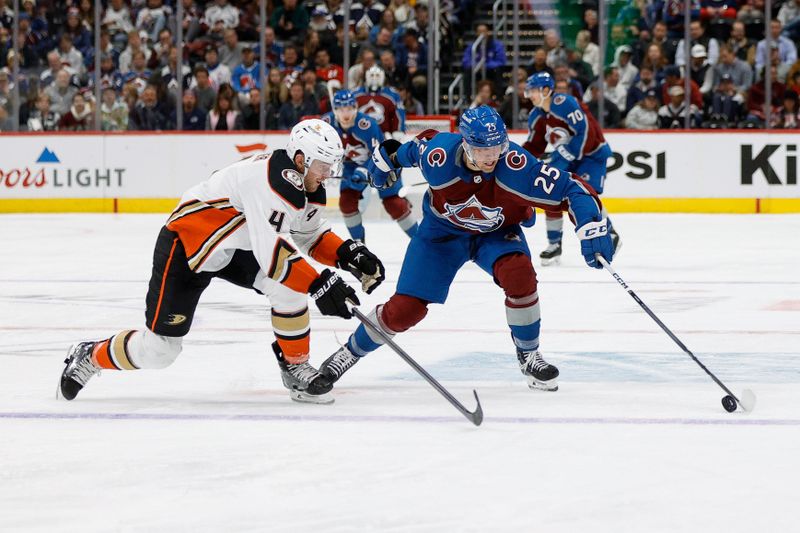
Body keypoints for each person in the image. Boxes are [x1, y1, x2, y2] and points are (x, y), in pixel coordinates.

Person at [58, 119, 386, 404]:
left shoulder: (306, 182)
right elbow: (274, 256)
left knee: (289, 290)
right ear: (301, 158)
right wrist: (320, 284)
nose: (328, 173)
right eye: (323, 166)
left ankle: (295, 366)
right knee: (160, 351)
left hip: (234, 248)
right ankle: (91, 355)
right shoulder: (272, 181)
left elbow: (310, 236)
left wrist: (348, 255)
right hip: (189, 244)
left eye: (331, 166)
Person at [318, 106, 613, 392]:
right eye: (484, 150)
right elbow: (401, 151)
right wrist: (383, 162)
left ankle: (529, 355)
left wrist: (590, 226)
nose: (492, 157)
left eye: (498, 147)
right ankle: (349, 353)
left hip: (496, 234)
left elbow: (572, 189)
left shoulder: (517, 167)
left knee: (520, 276)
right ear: (466, 144)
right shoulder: (438, 156)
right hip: (441, 235)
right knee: (405, 311)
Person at [523, 71, 620, 266]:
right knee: (551, 190)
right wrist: (520, 159)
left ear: (546, 90)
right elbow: (534, 145)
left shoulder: (563, 103)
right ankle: (554, 244)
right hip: (569, 156)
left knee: (585, 196)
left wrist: (567, 153)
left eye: (532, 90)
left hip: (592, 154)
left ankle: (609, 233)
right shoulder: (536, 115)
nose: (528, 94)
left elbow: (586, 131)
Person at [322, 89, 418, 242]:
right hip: (350, 166)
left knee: (394, 204)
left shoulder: (366, 125)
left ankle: (419, 240)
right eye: (341, 110)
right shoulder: (325, 124)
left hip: (381, 164)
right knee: (346, 203)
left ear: (356, 108)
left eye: (349, 109)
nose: (345, 114)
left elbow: (378, 155)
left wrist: (363, 171)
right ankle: (359, 245)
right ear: (334, 110)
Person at [352, 65, 406, 141]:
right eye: (371, 75)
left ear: (383, 77)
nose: (374, 78)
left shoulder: (392, 95)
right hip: (359, 136)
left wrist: (398, 130)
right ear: (366, 76)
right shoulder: (355, 94)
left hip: (384, 136)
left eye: (377, 75)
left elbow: (399, 114)